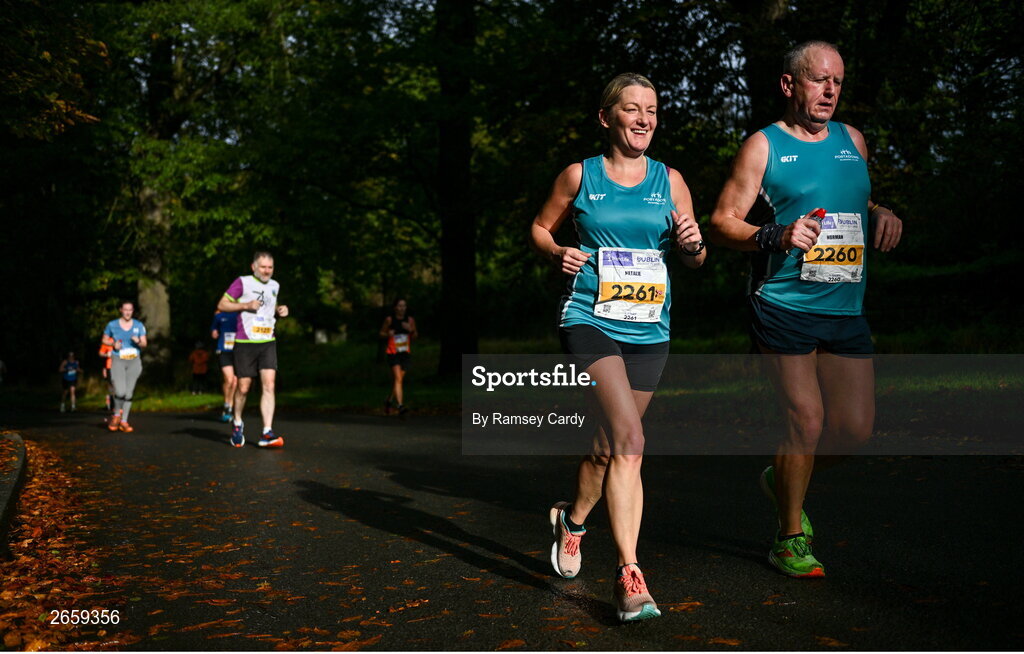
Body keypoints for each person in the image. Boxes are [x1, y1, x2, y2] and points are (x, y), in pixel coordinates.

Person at [708, 41, 903, 578]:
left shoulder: (852, 140)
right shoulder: (763, 147)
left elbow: (850, 197)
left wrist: (881, 210)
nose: (831, 90)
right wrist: (776, 234)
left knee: (856, 430)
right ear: (790, 85)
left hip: (844, 305)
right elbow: (722, 221)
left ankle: (783, 477)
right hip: (783, 302)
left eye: (837, 81)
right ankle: (788, 537)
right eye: (819, 80)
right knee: (807, 420)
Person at [530, 73, 706, 622]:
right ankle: (630, 577)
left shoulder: (671, 180)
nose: (644, 119)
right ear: (607, 118)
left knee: (608, 446)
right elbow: (539, 227)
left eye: (652, 110)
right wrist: (556, 251)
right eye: (632, 109)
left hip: (650, 327)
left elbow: (696, 256)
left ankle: (573, 522)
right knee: (631, 439)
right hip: (588, 317)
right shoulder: (580, 175)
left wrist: (692, 245)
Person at [217, 251, 289, 448]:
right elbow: (222, 304)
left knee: (269, 385)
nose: (267, 271)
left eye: (270, 267)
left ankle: (267, 432)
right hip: (245, 342)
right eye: (263, 267)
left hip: (267, 340)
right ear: (253, 267)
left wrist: (280, 310)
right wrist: (246, 304)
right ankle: (237, 422)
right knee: (243, 387)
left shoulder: (275, 285)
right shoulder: (243, 282)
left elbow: (269, 307)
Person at [103, 300, 148, 432]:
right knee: (120, 391)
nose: (128, 312)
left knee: (128, 393)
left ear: (132, 311)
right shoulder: (112, 325)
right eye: (125, 309)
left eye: (130, 310)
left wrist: (138, 341)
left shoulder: (139, 325)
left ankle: (124, 421)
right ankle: (116, 415)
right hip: (118, 360)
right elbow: (104, 339)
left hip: (134, 361)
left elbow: (145, 343)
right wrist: (113, 344)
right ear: (121, 310)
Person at [379, 298, 417, 415]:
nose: (402, 308)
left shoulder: (410, 320)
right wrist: (387, 334)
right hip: (393, 352)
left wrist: (410, 330)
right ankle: (400, 405)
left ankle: (389, 400)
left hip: (404, 352)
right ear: (395, 307)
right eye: (400, 306)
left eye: (404, 306)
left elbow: (415, 335)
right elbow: (381, 333)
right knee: (398, 379)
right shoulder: (389, 320)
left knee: (398, 379)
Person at [210, 310, 238, 422]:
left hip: (237, 351)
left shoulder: (241, 314)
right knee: (229, 379)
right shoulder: (219, 315)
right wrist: (214, 332)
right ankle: (227, 404)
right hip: (224, 350)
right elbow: (213, 330)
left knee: (235, 381)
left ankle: (229, 407)